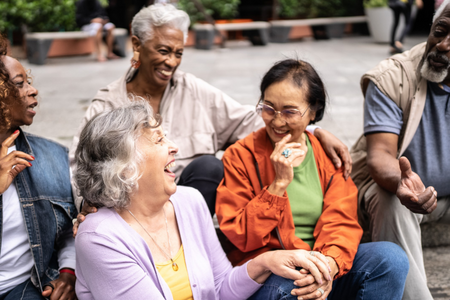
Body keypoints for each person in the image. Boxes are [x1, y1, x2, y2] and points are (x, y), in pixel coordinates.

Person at [70, 3, 352, 219]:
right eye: (163, 50)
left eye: (178, 53)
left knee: (209, 167)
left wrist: (313, 130)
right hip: (132, 218)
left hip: (186, 219)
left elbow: (253, 119)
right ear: (137, 46)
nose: (171, 62)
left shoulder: (193, 90)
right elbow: (77, 170)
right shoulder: (107, 104)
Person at [74, 100, 336, 300]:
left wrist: (267, 261)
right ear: (125, 167)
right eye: (159, 140)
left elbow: (221, 287)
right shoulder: (99, 237)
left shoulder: (189, 201)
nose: (174, 147)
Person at [216, 59, 409, 300]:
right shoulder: (240, 156)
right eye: (268, 108)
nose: (276, 121)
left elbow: (342, 222)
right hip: (274, 272)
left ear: (313, 111)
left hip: (319, 263)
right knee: (291, 286)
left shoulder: (329, 156)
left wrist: (328, 266)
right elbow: (240, 235)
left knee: (390, 259)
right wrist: (277, 186)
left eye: (290, 111)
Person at [350, 1, 450, 299]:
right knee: (391, 198)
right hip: (402, 194)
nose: (442, 46)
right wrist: (405, 185)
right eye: (439, 31)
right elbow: (381, 157)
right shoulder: (392, 76)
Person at [0, 36, 76, 299]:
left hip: (23, 286)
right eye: (20, 85)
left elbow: (72, 228)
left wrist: (68, 271)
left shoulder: (54, 157)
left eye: (28, 82)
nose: (33, 91)